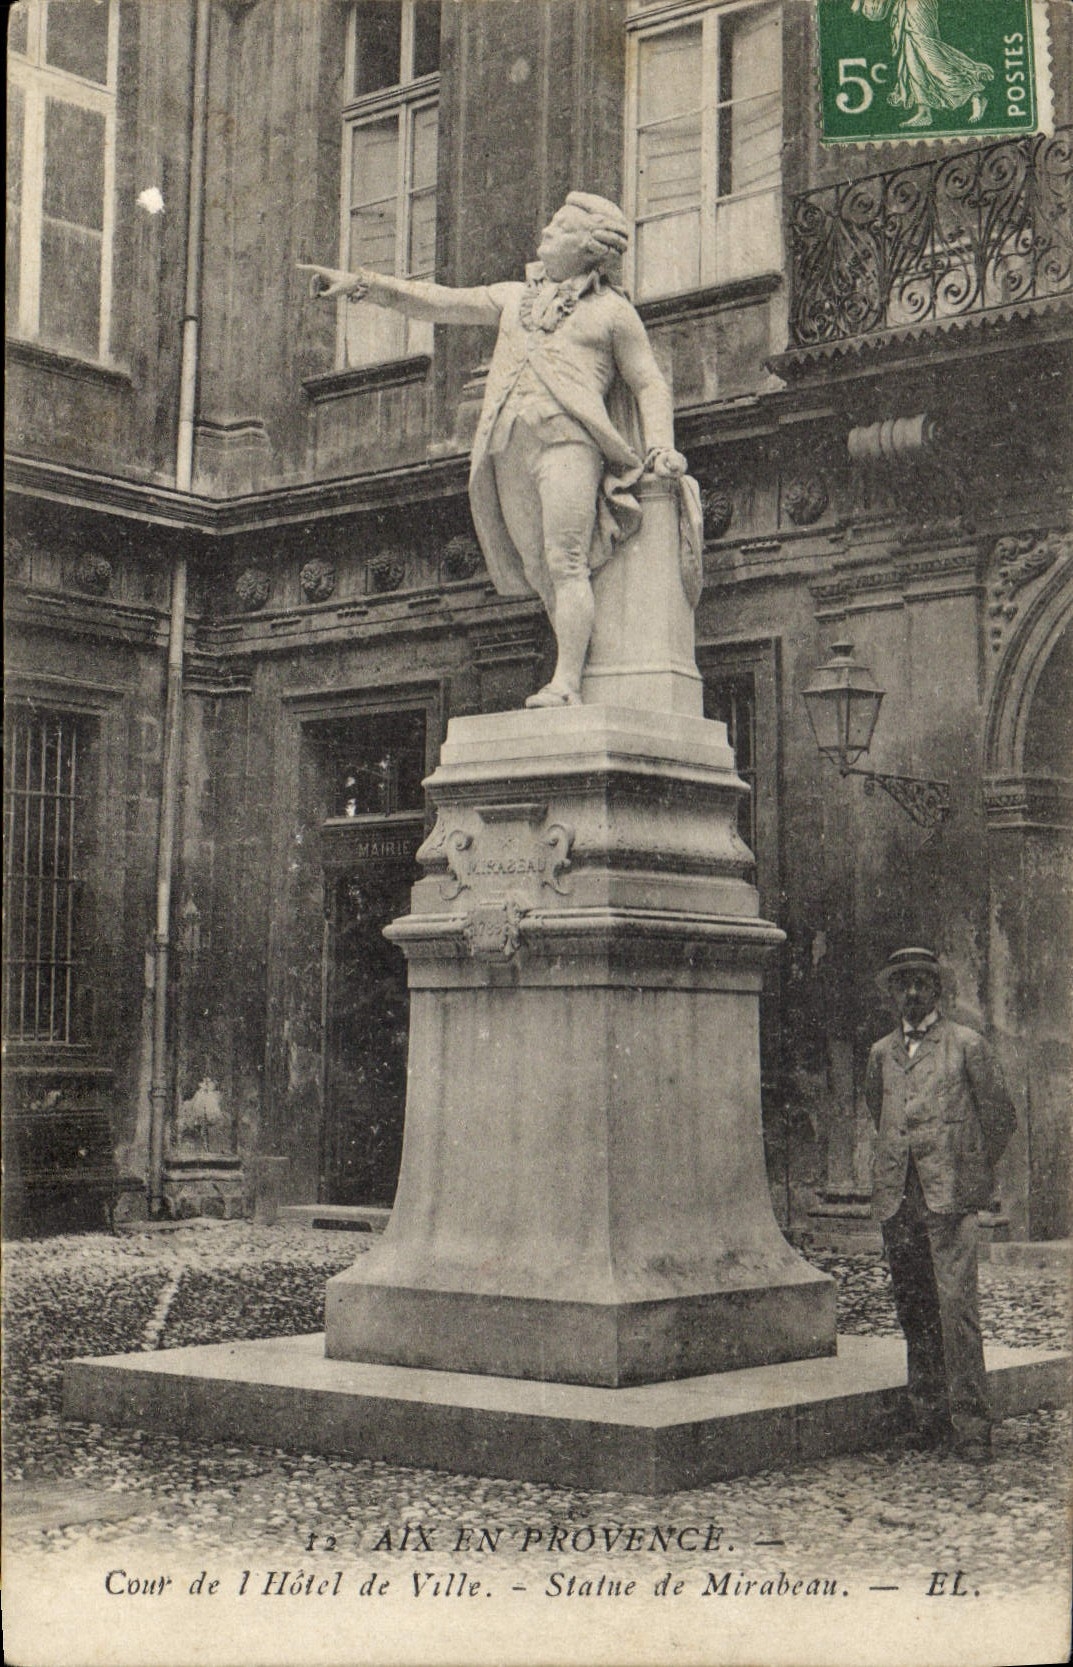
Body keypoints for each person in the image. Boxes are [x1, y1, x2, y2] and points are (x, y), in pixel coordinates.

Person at [300, 193, 696, 709]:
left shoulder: (613, 313)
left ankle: (568, 683)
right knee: (538, 568)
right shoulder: (515, 297)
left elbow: (648, 382)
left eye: (560, 227)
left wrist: (661, 444)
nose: (547, 231)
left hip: (568, 444)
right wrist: (362, 284)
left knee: (566, 561)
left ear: (589, 247)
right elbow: (440, 302)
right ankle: (584, 666)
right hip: (508, 446)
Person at [865, 946, 1016, 1459]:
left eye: (922, 982)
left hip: (948, 1199)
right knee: (914, 1308)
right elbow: (880, 1112)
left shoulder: (966, 1045)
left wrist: (965, 1172)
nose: (912, 992)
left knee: (957, 1312)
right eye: (903, 983)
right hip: (898, 1198)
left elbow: (1000, 1119)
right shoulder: (881, 1053)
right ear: (892, 992)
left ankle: (972, 1426)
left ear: (937, 989)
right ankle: (927, 1419)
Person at [854, 0, 992, 129]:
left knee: (930, 57)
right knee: (911, 58)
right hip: (906, 7)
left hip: (919, 6)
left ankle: (975, 94)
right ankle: (924, 111)